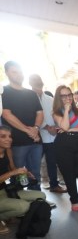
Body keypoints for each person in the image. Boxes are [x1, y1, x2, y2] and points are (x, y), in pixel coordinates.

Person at [1, 61, 43, 190]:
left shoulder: (31, 94)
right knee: (18, 175)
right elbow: (7, 115)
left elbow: (40, 113)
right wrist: (28, 131)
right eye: (14, 72)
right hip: (17, 142)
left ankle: (38, 200)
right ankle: (20, 203)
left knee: (36, 173)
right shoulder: (5, 92)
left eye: (20, 72)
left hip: (36, 141)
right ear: (7, 73)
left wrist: (35, 128)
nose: (18, 75)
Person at [0, 125, 47, 234]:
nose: (8, 139)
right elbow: (11, 172)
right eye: (3, 136)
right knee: (24, 207)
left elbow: (12, 169)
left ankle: (6, 213)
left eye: (10, 136)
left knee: (41, 196)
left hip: (4, 191)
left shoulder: (8, 151)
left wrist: (24, 173)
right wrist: (13, 172)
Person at [29, 74, 67, 194]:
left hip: (51, 137)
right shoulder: (27, 98)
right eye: (34, 80)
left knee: (52, 162)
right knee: (34, 164)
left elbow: (56, 115)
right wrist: (46, 127)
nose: (37, 82)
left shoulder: (50, 99)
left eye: (38, 80)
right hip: (35, 136)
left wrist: (56, 127)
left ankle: (54, 185)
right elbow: (30, 116)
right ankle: (34, 189)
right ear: (30, 83)